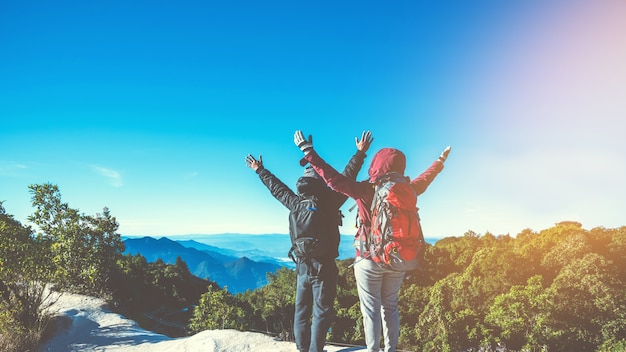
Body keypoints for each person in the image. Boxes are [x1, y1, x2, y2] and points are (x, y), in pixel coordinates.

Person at [294, 130, 451, 352]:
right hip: (398, 258)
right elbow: (426, 178)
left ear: (377, 164)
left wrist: (308, 151)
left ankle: (372, 350)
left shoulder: (366, 189)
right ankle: (391, 349)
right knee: (390, 306)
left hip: (369, 259)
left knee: (371, 310)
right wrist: (440, 161)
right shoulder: (408, 190)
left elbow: (333, 179)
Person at [245, 131, 373, 352]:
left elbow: (277, 188)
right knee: (322, 311)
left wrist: (260, 170)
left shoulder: (295, 202)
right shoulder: (331, 201)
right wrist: (360, 153)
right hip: (324, 266)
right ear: (321, 183)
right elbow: (347, 176)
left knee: (301, 310)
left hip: (302, 265)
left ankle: (302, 349)